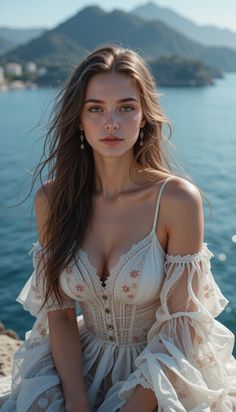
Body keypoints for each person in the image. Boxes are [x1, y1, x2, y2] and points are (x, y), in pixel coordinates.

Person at [1, 44, 236, 412]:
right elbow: (60, 314)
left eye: (126, 107)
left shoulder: (175, 200)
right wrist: (76, 400)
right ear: (78, 119)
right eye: (96, 108)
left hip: (161, 377)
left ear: (144, 117)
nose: (111, 122)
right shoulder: (52, 200)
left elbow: (182, 327)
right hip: (78, 367)